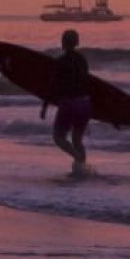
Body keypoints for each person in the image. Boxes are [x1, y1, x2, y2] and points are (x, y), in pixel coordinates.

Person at [47, 28, 93, 176]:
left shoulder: (60, 62)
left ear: (64, 43)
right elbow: (87, 82)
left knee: (59, 138)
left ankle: (77, 158)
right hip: (85, 103)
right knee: (77, 139)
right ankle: (82, 170)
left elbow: (52, 86)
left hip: (69, 104)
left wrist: (44, 106)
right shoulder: (82, 60)